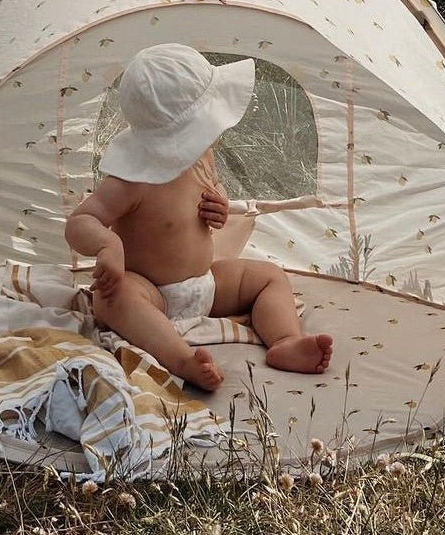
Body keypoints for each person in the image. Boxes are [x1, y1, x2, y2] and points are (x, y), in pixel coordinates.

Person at [65, 43, 333, 391]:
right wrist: (107, 243)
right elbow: (80, 222)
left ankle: (285, 341)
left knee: (270, 276)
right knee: (113, 298)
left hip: (206, 284)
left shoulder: (201, 155)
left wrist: (220, 204)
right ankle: (182, 360)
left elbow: (212, 187)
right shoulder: (132, 180)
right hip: (151, 292)